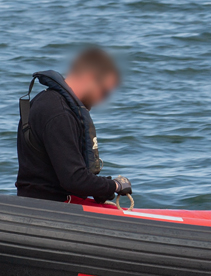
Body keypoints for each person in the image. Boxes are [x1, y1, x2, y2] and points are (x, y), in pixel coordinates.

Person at [15, 46, 131, 204]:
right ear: (89, 78)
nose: (103, 99)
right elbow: (75, 180)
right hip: (49, 208)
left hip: (34, 201)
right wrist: (115, 186)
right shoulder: (59, 115)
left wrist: (101, 189)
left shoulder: (46, 100)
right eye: (104, 91)